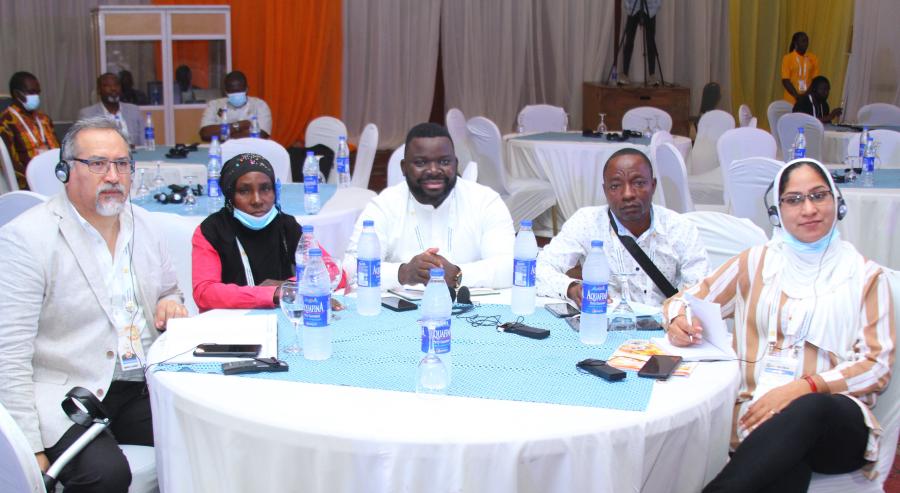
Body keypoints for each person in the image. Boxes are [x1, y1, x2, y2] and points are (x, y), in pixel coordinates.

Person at [635, 158, 894, 493]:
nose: (808, 209)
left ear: (837, 202)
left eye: (819, 196)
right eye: (794, 200)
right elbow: (685, 299)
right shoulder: (756, 264)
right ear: (778, 210)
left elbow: (876, 366)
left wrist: (803, 387)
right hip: (760, 421)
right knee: (785, 453)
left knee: (808, 410)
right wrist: (678, 319)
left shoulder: (867, 277)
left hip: (837, 424)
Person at [0, 117, 188, 493]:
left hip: (135, 381)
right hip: (65, 387)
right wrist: (28, 447)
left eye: (122, 164)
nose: (113, 176)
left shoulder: (144, 224)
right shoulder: (26, 239)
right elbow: (8, 352)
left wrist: (169, 303)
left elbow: (170, 290)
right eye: (98, 163)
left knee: (198, 439)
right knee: (104, 475)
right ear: (66, 170)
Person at [343, 122, 515, 291]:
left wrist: (458, 274)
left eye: (444, 162)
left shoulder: (485, 201)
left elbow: (511, 266)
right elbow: (352, 268)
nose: (433, 170)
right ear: (404, 168)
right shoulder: (383, 205)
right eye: (420, 163)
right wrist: (403, 273)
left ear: (455, 164)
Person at [536, 148, 708, 307]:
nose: (628, 194)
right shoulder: (587, 223)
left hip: (665, 324)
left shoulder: (680, 229)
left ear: (653, 185)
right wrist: (571, 288)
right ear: (605, 190)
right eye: (615, 186)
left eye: (639, 183)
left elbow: (702, 290)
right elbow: (539, 268)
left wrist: (677, 314)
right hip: (605, 322)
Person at [191, 152, 345, 311]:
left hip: (283, 317)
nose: (257, 200)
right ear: (230, 196)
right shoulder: (212, 230)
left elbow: (334, 272)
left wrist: (287, 287)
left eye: (265, 189)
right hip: (230, 320)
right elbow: (204, 293)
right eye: (244, 191)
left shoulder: (286, 225)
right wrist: (272, 293)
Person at [0, 71, 59, 189]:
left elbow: (59, 149)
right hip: (29, 183)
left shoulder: (44, 118)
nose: (36, 96)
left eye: (38, 92)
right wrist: (36, 177)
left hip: (56, 176)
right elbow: (8, 164)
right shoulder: (6, 122)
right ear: (17, 94)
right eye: (31, 92)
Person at [199, 71, 272, 141]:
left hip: (252, 148)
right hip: (222, 148)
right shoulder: (214, 105)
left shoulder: (259, 105)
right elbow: (205, 134)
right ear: (226, 91)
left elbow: (261, 135)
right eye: (232, 91)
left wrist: (223, 132)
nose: (236, 94)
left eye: (239, 91)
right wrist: (239, 125)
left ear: (247, 89)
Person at [78, 73, 144, 147]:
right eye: (107, 86)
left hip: (134, 153)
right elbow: (85, 145)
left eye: (116, 85)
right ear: (99, 90)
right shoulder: (88, 115)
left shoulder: (134, 110)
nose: (113, 88)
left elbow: (144, 142)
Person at [619, 0, 662, 86]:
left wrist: (654, 8)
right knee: (629, 41)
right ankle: (625, 74)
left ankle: (652, 75)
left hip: (650, 9)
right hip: (634, 8)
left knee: (651, 42)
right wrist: (629, 7)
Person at [781, 32, 819, 104]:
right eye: (803, 41)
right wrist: (797, 96)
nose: (806, 43)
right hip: (791, 98)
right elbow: (785, 80)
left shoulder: (813, 58)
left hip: (807, 98)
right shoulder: (787, 58)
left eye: (807, 41)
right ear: (796, 43)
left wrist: (805, 96)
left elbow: (815, 80)